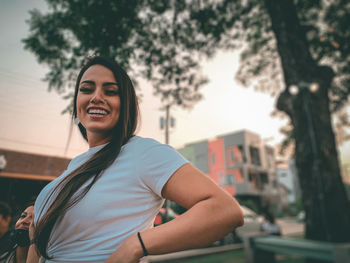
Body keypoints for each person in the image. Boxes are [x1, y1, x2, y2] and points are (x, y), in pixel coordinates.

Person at [27, 56, 244, 263]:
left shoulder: (142, 153)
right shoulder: (74, 166)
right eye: (86, 89)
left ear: (126, 106)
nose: (96, 97)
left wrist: (134, 245)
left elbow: (225, 211)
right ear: (76, 103)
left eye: (110, 91)